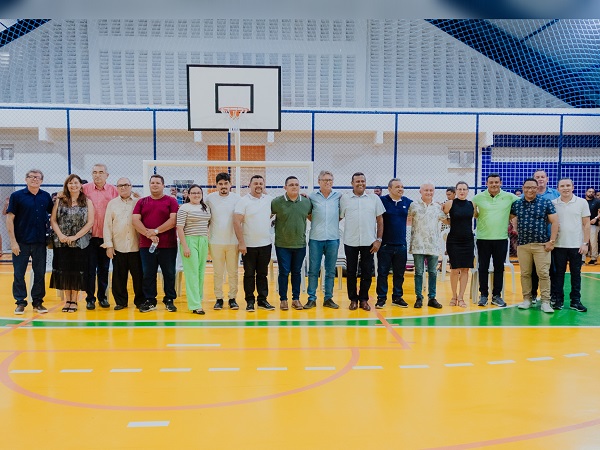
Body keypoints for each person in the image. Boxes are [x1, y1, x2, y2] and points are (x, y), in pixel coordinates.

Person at [6, 169, 54, 314]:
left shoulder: (45, 197)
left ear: (41, 180)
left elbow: (53, 216)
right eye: (31, 177)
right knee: (19, 273)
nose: (34, 179)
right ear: (26, 179)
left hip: (40, 242)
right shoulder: (17, 196)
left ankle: (38, 302)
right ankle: (20, 302)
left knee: (39, 273)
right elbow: (10, 219)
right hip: (21, 242)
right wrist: (13, 242)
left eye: (38, 177)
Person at [132, 174, 179, 313]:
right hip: (147, 246)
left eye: (158, 182)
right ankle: (150, 300)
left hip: (168, 245)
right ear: (149, 185)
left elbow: (173, 221)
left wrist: (156, 231)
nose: (155, 185)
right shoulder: (141, 202)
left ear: (163, 185)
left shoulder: (171, 201)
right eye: (152, 182)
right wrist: (148, 234)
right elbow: (135, 221)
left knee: (169, 273)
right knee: (148, 273)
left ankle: (169, 299)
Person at [510, 178, 558, 314]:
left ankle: (545, 302)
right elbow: (510, 217)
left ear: (537, 189)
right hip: (523, 245)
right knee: (525, 274)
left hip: (541, 245)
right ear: (523, 188)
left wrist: (552, 241)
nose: (530, 190)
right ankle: (527, 300)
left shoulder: (545, 202)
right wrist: (515, 228)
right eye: (527, 187)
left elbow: (555, 222)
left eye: (533, 187)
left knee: (543, 273)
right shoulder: (517, 204)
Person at [472, 173, 518, 308]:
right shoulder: (478, 197)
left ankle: (497, 296)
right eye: (491, 182)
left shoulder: (509, 197)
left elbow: (521, 203)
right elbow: (474, 213)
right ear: (487, 184)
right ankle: (484, 295)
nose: (494, 184)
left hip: (501, 239)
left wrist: (510, 216)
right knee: (483, 267)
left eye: (496, 182)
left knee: (499, 268)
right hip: (483, 238)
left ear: (500, 183)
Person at [50, 174, 95, 313]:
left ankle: (74, 301)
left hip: (80, 243)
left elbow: (90, 222)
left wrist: (75, 236)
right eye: (70, 183)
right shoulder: (60, 201)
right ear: (67, 185)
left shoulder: (87, 201)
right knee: (64, 271)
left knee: (76, 271)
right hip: (62, 242)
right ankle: (67, 300)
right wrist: (61, 235)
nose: (73, 185)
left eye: (76, 183)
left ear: (81, 185)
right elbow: (53, 220)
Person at [340, 172, 384, 311]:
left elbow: (380, 220)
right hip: (350, 241)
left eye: (363, 181)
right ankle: (353, 299)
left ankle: (364, 299)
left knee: (366, 272)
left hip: (369, 242)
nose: (360, 183)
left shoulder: (374, 199)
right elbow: (338, 217)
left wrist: (378, 239)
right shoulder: (345, 199)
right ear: (352, 183)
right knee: (351, 272)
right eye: (357, 181)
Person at [233, 175, 276, 312]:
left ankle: (262, 300)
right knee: (249, 274)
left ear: (264, 185)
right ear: (250, 185)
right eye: (256, 183)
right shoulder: (243, 201)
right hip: (249, 245)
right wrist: (241, 243)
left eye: (261, 183)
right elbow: (236, 222)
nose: (258, 185)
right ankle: (250, 301)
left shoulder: (269, 200)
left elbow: (278, 208)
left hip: (265, 244)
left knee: (262, 274)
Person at [103, 177, 144, 310]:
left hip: (136, 246)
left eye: (126, 185)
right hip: (118, 246)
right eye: (120, 185)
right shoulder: (112, 204)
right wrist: (109, 245)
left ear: (131, 186)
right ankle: (121, 302)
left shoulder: (139, 202)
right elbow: (107, 225)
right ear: (117, 187)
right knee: (119, 277)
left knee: (139, 276)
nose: (123, 187)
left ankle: (140, 301)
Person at [271, 176, 312, 311]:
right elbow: (266, 215)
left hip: (300, 244)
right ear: (285, 187)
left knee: (296, 272)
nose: (294, 187)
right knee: (284, 272)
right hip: (282, 244)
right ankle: (283, 299)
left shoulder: (306, 202)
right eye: (291, 185)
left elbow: (312, 217)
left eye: (296, 184)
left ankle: (296, 299)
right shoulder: (277, 202)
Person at [82, 164, 118, 310]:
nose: (97, 175)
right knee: (89, 270)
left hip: (106, 237)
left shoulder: (113, 191)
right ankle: (89, 298)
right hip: (88, 237)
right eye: (94, 172)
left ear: (107, 175)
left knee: (103, 269)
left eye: (101, 172)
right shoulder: (84, 189)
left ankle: (102, 297)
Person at [551, 179, 590, 312]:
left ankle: (575, 301)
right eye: (562, 186)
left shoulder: (581, 202)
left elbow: (586, 224)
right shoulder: (553, 203)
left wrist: (585, 243)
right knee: (558, 275)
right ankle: (558, 300)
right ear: (558, 188)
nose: (565, 188)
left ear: (573, 187)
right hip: (558, 245)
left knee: (576, 274)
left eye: (568, 185)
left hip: (576, 246)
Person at [408, 182, 447, 309]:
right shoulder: (413, 206)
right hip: (418, 244)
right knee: (419, 272)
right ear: (420, 191)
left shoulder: (437, 207)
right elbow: (406, 219)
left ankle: (432, 298)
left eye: (431, 190)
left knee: (433, 272)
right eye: (426, 190)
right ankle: (419, 297)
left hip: (433, 245)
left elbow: (446, 219)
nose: (429, 192)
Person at [306, 170, 341, 310]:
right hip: (316, 238)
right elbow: (308, 214)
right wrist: (318, 222)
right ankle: (311, 298)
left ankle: (328, 298)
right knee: (313, 270)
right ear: (319, 181)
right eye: (324, 180)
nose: (327, 182)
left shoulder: (338, 196)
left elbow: (341, 214)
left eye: (330, 180)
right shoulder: (312, 197)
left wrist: (331, 222)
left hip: (333, 239)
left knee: (330, 270)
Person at [375, 178, 412, 309]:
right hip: (385, 245)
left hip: (401, 244)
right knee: (383, 272)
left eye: (402, 187)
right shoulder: (382, 201)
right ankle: (381, 298)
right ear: (389, 189)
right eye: (397, 187)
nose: (400, 189)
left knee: (399, 273)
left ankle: (397, 297)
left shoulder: (407, 202)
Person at [205, 172, 240, 310]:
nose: (223, 186)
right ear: (216, 185)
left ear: (230, 184)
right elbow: (205, 218)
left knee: (233, 272)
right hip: (215, 241)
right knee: (218, 272)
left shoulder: (237, 198)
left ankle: (232, 298)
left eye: (226, 183)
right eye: (220, 184)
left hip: (233, 241)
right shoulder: (210, 198)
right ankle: (218, 298)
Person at [176, 184, 211, 315]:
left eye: (199, 193)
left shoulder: (206, 207)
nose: (196, 195)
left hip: (203, 240)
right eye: (193, 193)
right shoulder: (184, 208)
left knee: (201, 272)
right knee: (192, 273)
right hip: (190, 240)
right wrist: (185, 246)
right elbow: (179, 228)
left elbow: (207, 224)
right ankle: (195, 305)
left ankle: (198, 299)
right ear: (188, 195)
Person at [529, 169, 560, 303]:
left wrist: (554, 237)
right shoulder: (529, 195)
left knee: (552, 269)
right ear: (534, 180)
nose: (540, 179)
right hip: (535, 238)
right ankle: (533, 294)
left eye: (543, 177)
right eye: (538, 177)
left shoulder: (555, 194)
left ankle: (552, 295)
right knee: (533, 269)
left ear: (547, 179)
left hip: (552, 238)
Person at [443, 181, 475, 308]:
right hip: (454, 240)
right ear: (456, 191)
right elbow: (442, 215)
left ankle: (461, 297)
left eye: (464, 189)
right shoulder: (450, 203)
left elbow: (475, 216)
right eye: (460, 189)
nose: (462, 191)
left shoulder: (472, 204)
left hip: (468, 240)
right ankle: (454, 296)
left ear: (468, 191)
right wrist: (451, 223)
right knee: (455, 269)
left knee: (465, 269)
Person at [584, 187, 600, 265]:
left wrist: (596, 218)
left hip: (593, 225)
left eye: (592, 192)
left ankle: (594, 258)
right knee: (582, 241)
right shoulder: (582, 202)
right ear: (586, 192)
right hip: (583, 225)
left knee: (593, 242)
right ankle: (582, 258)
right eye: (589, 191)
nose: (591, 193)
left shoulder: (597, 202)